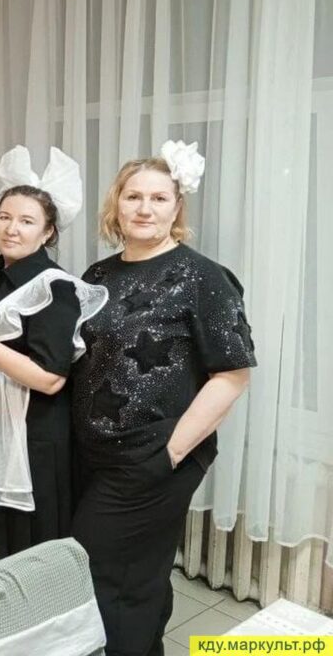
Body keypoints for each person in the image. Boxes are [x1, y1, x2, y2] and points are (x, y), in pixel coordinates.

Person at [69, 140, 255, 656]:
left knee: (105, 575)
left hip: (153, 456)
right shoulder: (98, 275)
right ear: (117, 204)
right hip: (93, 453)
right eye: (133, 197)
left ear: (177, 207)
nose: (144, 208)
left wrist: (169, 453)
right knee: (140, 576)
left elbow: (232, 376)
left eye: (158, 198)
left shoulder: (203, 277)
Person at [0, 146, 107, 560]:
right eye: (5, 217)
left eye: (27, 221)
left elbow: (50, 379)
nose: (12, 229)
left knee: (34, 550)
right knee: (2, 548)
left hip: (34, 436)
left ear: (48, 233)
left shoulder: (54, 287)